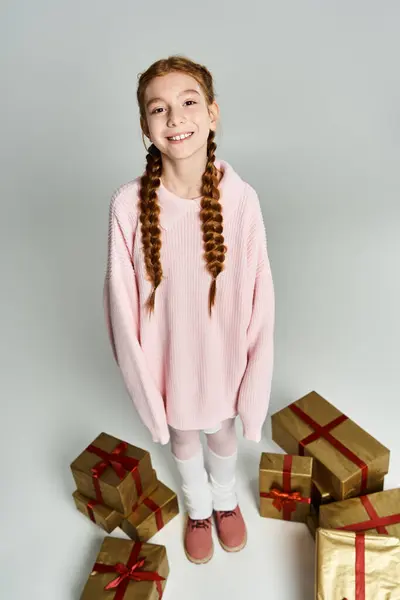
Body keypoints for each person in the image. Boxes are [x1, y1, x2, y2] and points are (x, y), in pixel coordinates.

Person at [103, 55, 275, 564]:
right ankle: (198, 505)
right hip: (169, 365)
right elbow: (119, 303)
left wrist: (253, 388)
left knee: (221, 431)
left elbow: (262, 296)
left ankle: (224, 500)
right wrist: (146, 395)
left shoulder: (241, 200)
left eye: (188, 102)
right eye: (159, 109)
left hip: (223, 359)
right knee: (180, 435)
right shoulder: (128, 206)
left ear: (213, 113)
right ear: (144, 126)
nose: (175, 118)